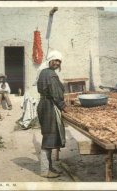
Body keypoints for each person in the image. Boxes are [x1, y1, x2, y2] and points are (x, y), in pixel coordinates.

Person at [36, 50, 68, 178]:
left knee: (50, 135)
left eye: (59, 61)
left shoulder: (45, 72)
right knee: (49, 137)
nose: (57, 63)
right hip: (49, 106)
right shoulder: (50, 74)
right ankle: (45, 170)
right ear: (50, 60)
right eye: (55, 60)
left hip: (45, 104)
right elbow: (55, 94)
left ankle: (49, 167)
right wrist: (63, 107)